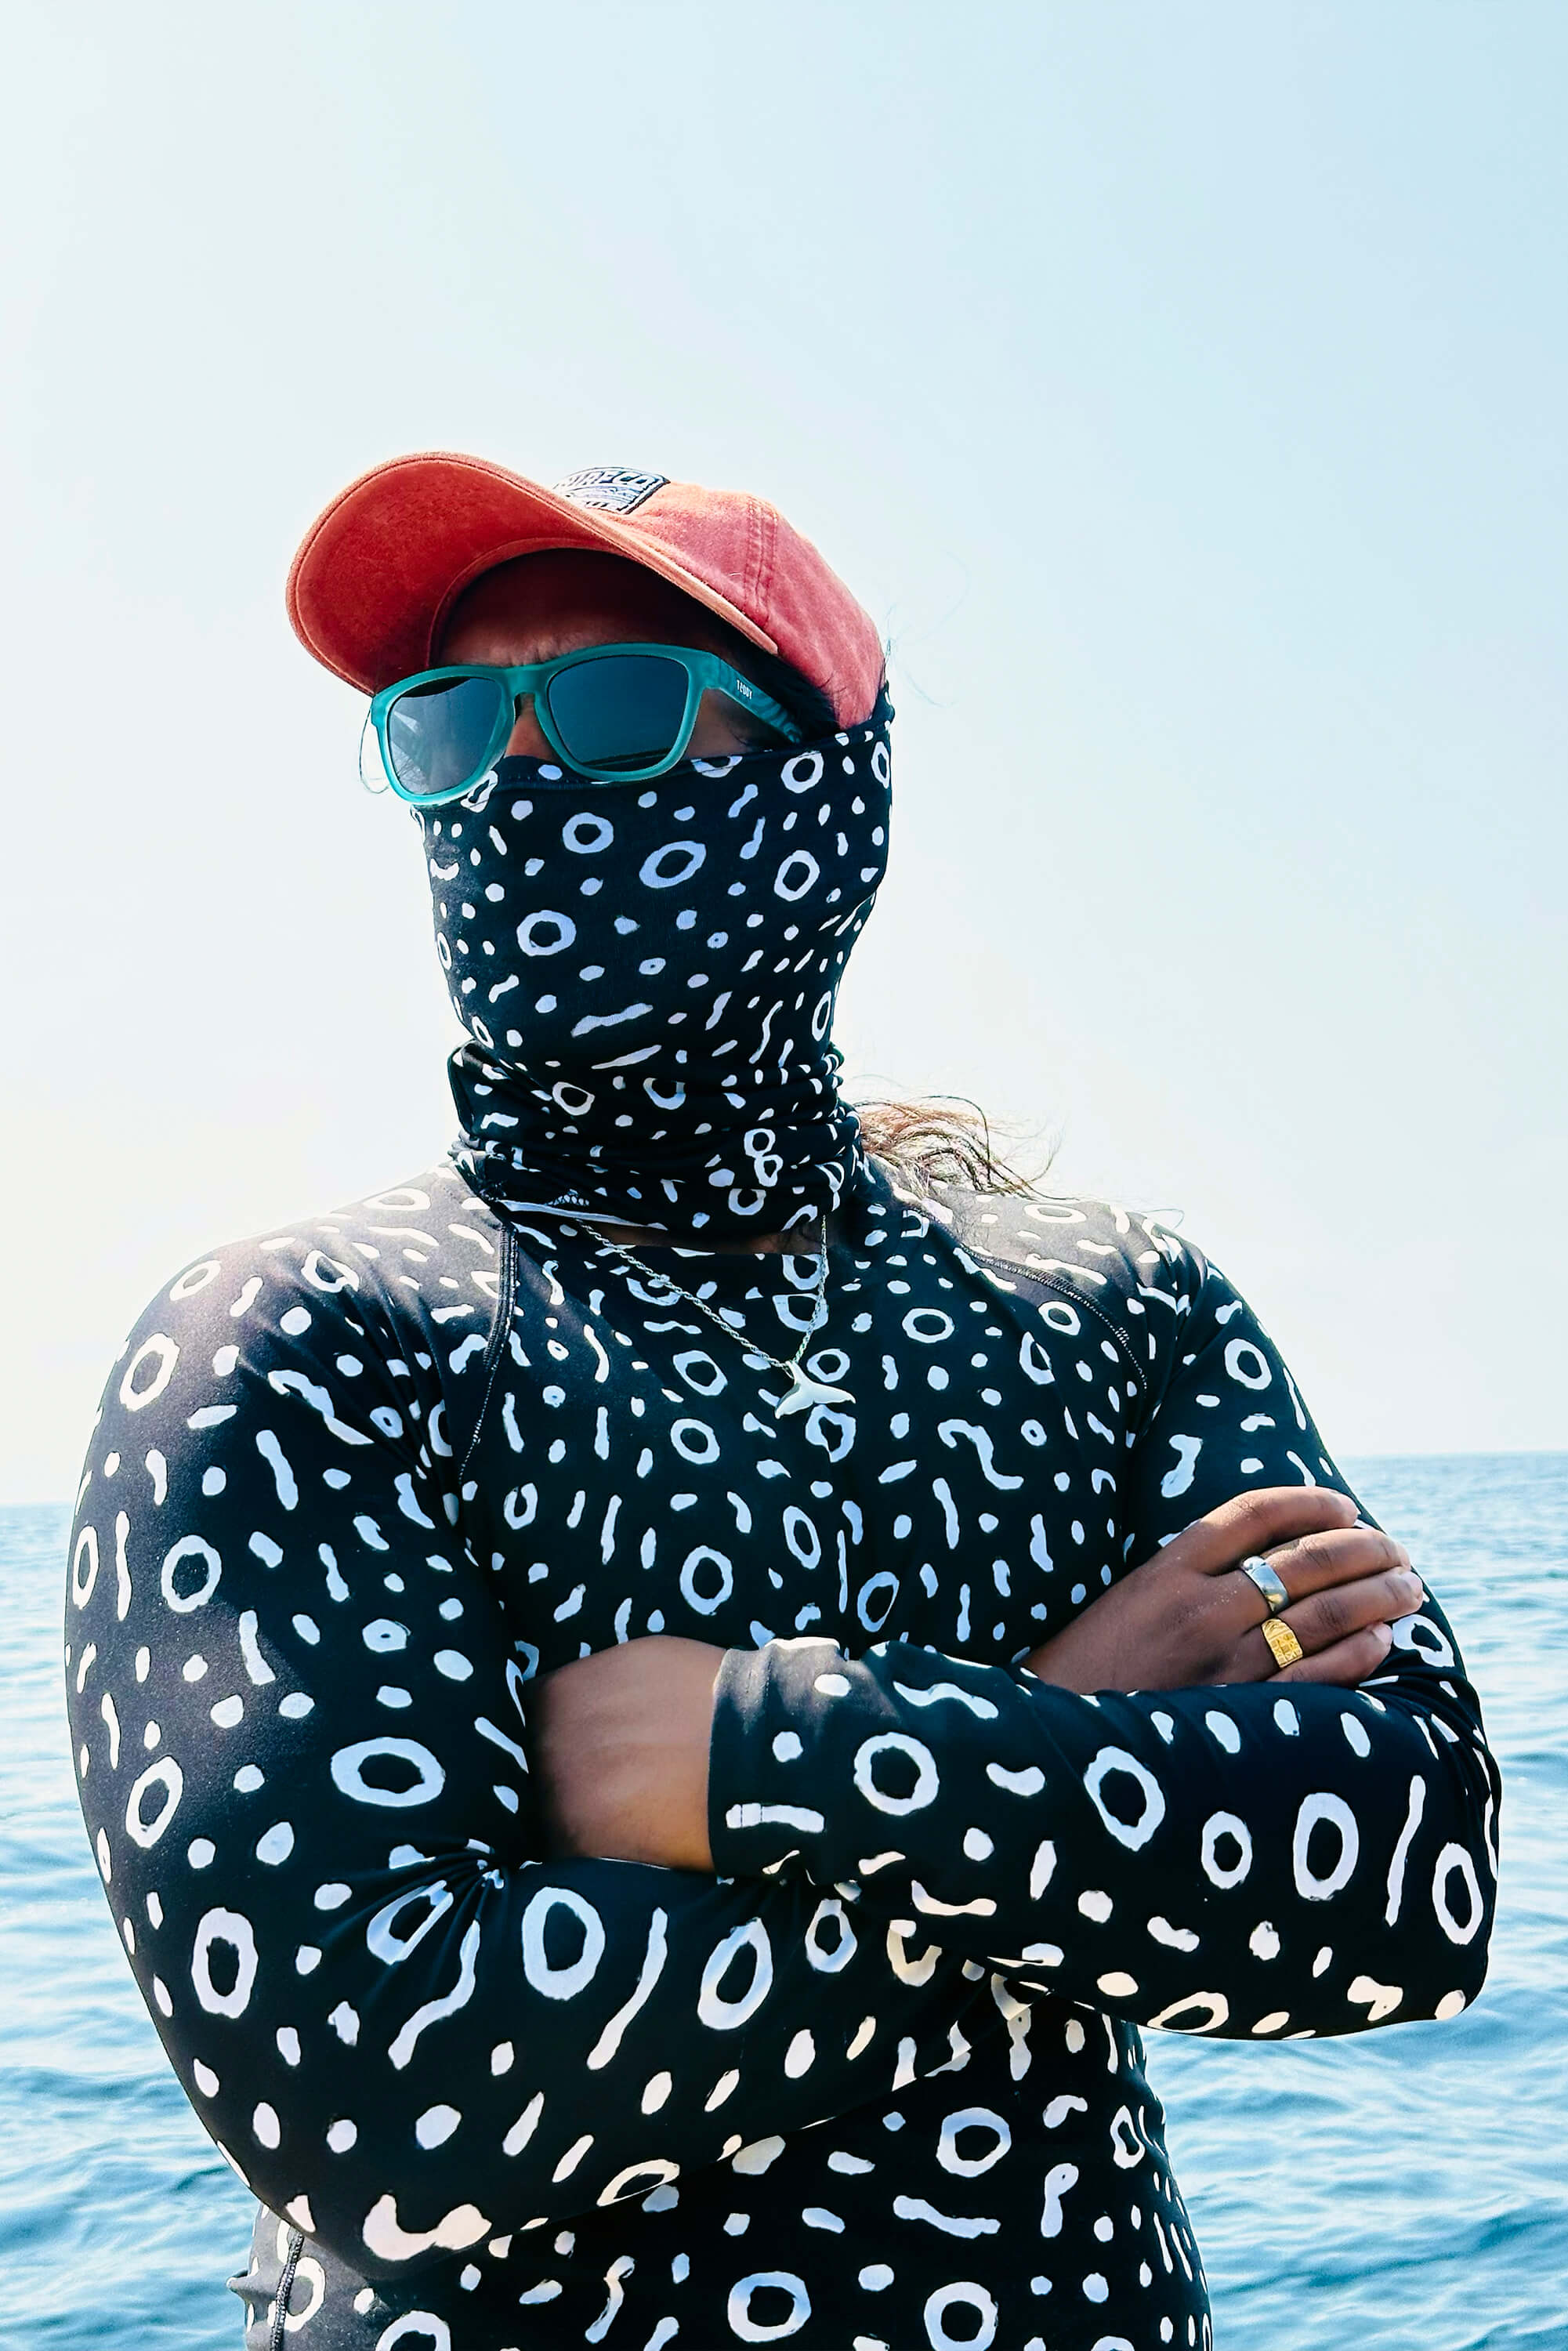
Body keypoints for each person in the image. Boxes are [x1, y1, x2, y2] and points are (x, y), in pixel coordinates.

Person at [65, 451, 1501, 2351]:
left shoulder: (1106, 1307)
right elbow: (378, 2093)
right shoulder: (305, 1340)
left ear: (824, 790)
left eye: (611, 706)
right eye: (443, 724)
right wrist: (1058, 1737)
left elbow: (1402, 1879)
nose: (512, 785)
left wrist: (759, 1751)